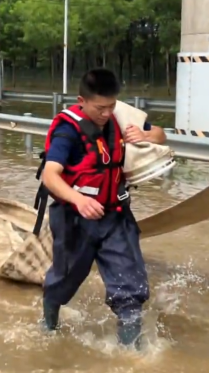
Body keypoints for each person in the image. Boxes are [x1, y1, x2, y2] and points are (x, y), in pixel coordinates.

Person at [34, 68, 167, 349]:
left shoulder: (119, 117)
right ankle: (48, 325)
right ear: (82, 100)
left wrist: (147, 137)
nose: (106, 114)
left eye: (111, 106)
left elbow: (160, 133)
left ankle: (131, 356)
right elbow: (50, 175)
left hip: (116, 217)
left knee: (131, 289)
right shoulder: (67, 131)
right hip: (74, 218)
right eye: (100, 108)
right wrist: (78, 200)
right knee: (64, 280)